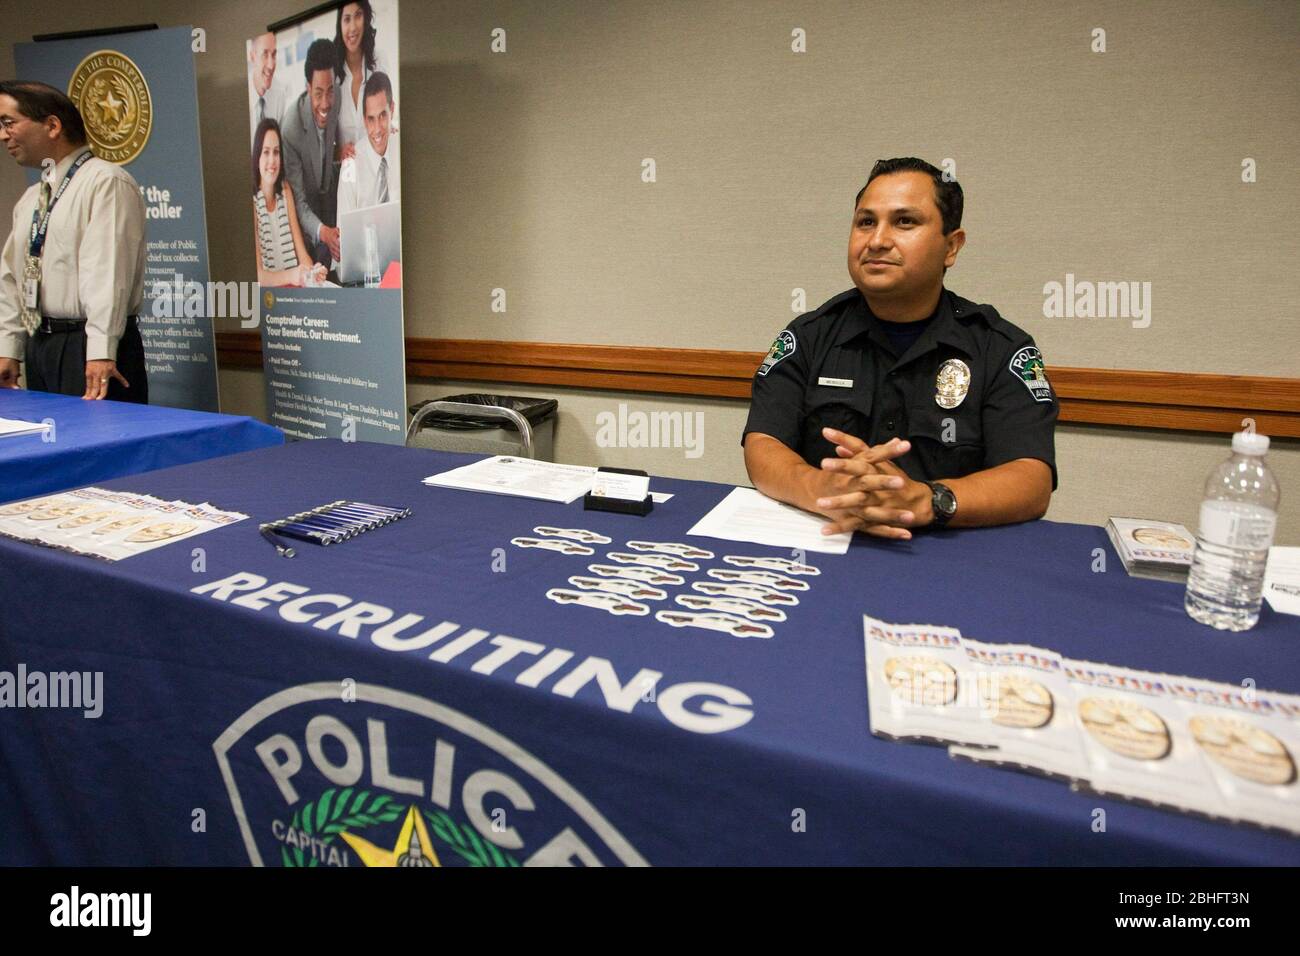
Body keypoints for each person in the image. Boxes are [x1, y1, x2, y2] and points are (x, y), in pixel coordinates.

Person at [742, 157, 1057, 541]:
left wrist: (928, 500)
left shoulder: (1000, 348)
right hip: (827, 540)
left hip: (947, 554)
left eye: (905, 221)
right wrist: (821, 489)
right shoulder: (809, 336)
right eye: (866, 222)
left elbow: (1031, 478)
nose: (877, 241)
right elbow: (764, 443)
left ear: (951, 247)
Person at [0, 81, 147, 401]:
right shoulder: (32, 199)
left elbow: (107, 273)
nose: (2, 135)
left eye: (9, 123)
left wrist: (101, 350)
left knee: (101, 446)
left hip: (90, 349)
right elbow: (12, 277)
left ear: (52, 125)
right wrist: (9, 348)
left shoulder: (105, 182)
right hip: (41, 343)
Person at [281, 39, 341, 267]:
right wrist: (324, 233)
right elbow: (299, 202)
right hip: (309, 223)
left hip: (330, 203)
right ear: (307, 87)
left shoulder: (338, 97)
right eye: (318, 93)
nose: (326, 103)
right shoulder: (291, 129)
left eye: (330, 91)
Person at [252, 118, 326, 288]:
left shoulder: (285, 191)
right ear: (257, 156)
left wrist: (313, 271)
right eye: (266, 152)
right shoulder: (252, 204)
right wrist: (293, 275)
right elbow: (257, 276)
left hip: (294, 289)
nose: (272, 161)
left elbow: (302, 254)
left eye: (276, 152)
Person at [336, 72, 399, 219]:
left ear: (392, 110)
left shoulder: (403, 150)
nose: (377, 129)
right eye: (371, 119)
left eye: (383, 115)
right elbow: (345, 232)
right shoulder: (350, 165)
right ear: (364, 120)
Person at [333, 1, 388, 159]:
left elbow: (389, 117)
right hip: (347, 176)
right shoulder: (333, 74)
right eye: (346, 19)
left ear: (366, 18)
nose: (352, 28)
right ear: (340, 25)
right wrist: (339, 152)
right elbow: (325, 140)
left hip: (377, 168)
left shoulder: (380, 61)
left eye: (358, 16)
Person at [247, 32, 288, 145]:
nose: (271, 65)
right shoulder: (240, 98)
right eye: (265, 54)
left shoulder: (279, 94)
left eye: (273, 55)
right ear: (252, 57)